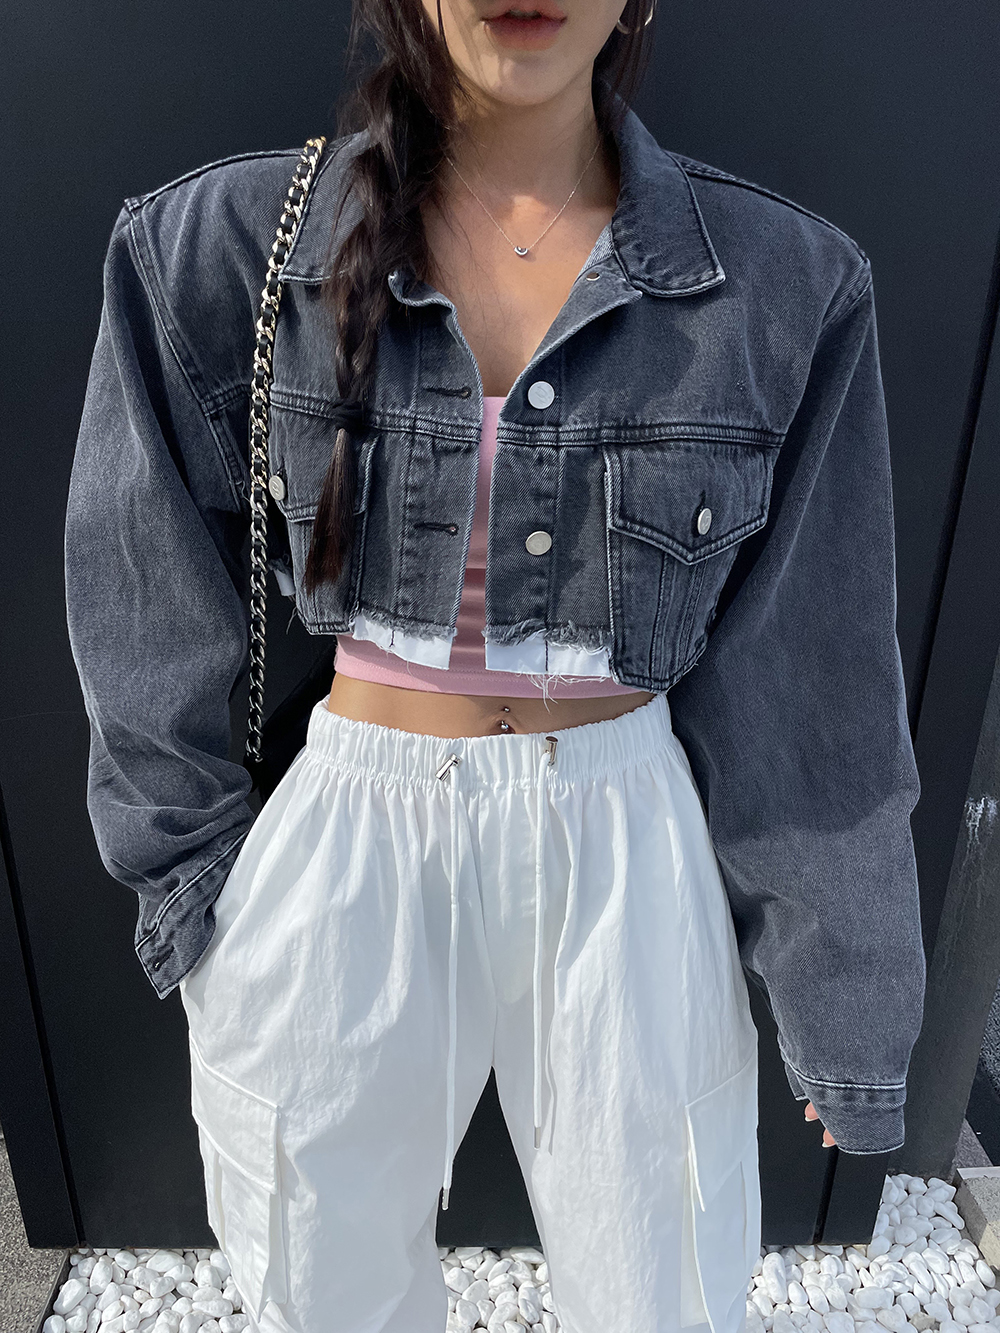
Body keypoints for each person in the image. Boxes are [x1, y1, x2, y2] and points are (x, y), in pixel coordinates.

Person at [64, 1, 927, 1331]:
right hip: (347, 839)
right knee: (321, 1285)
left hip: (626, 839)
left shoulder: (779, 282)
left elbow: (815, 668)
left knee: (661, 1286)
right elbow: (136, 579)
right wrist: (194, 888)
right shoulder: (228, 244)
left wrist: (843, 983)